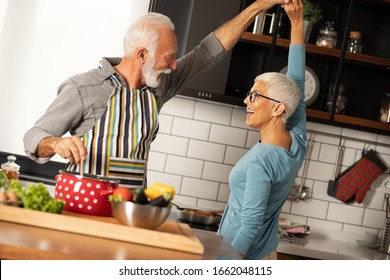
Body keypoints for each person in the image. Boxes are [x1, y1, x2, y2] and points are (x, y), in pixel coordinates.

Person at [23, 0, 289, 187]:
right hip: (85, 205)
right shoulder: (83, 87)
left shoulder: (158, 87)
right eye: (169, 57)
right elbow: (34, 138)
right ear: (141, 55)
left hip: (131, 210)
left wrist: (258, 6)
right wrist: (56, 143)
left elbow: (208, 52)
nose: (174, 65)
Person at [217, 0, 306, 260]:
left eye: (255, 96)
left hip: (241, 258)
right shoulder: (296, 141)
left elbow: (251, 223)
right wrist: (297, 23)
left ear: (278, 109)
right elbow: (297, 82)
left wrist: (226, 263)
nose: (247, 101)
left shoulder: (261, 160)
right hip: (266, 253)